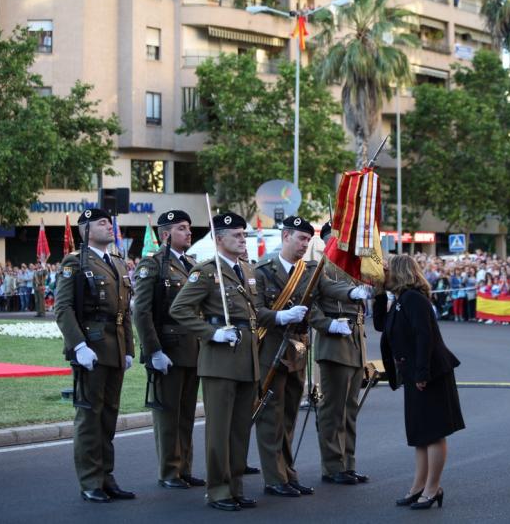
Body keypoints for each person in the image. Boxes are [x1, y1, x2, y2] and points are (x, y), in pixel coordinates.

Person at [252, 216, 369, 497]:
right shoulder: (264, 270)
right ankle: (274, 477)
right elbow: (255, 311)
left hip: (297, 348)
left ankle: (288, 474)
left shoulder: (311, 270)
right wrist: (279, 316)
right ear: (286, 237)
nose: (305, 244)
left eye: (308, 239)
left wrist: (353, 291)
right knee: (272, 416)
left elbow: (329, 288)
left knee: (290, 415)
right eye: (301, 238)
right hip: (272, 348)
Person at [169, 212, 260, 512]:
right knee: (219, 429)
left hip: (246, 357)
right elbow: (180, 309)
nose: (242, 239)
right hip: (220, 359)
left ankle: (235, 486)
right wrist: (211, 333)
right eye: (236, 235)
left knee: (240, 429)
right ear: (219, 238)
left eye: (244, 235)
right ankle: (218, 490)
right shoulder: (207, 271)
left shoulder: (247, 269)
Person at [54, 208, 136, 503]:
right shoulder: (74, 263)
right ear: (85, 230)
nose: (109, 226)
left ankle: (106, 477)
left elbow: (124, 311)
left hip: (114, 351)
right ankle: (90, 481)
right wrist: (78, 346)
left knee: (108, 417)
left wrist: (129, 349)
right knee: (90, 418)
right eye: (101, 223)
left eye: (109, 222)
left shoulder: (116, 262)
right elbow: (62, 309)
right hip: (91, 348)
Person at [372, 254, 464, 511]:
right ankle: (419, 487)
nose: (383, 274)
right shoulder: (401, 300)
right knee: (420, 434)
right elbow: (381, 325)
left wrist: (422, 373)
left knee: (433, 432)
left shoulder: (414, 299)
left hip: (430, 374)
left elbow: (425, 338)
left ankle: (433, 489)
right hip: (415, 373)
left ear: (399, 272)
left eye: (386, 270)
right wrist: (379, 293)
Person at [133, 210, 205, 490]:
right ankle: (169, 471)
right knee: (168, 416)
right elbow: (142, 311)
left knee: (187, 414)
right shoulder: (153, 265)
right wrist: (153, 351)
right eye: (182, 228)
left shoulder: (191, 264)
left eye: (189, 228)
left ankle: (185, 468)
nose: (189, 233)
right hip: (168, 349)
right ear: (165, 235)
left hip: (192, 349)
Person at [309, 221, 370, 487]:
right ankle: (333, 465)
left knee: (350, 409)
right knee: (333, 408)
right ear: (328, 241)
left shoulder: (355, 268)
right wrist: (327, 325)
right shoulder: (318, 268)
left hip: (356, 340)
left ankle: (348, 463)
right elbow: (308, 306)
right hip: (334, 341)